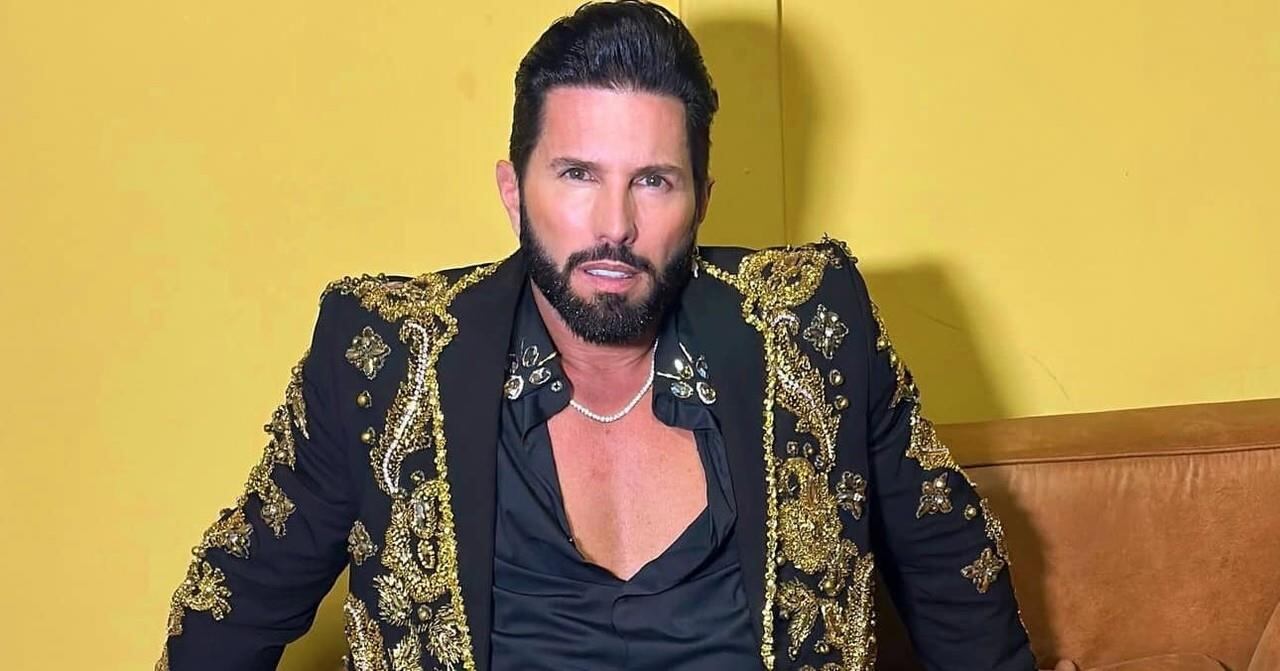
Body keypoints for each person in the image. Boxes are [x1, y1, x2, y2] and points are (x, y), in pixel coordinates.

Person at [157, 2, 1036, 669]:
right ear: (513, 191)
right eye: (577, 174)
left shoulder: (811, 324)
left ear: (701, 200)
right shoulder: (386, 357)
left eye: (654, 180)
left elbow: (953, 573)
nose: (614, 225)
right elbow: (229, 611)